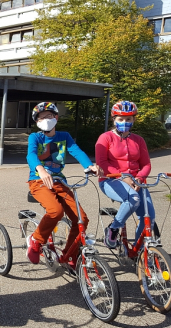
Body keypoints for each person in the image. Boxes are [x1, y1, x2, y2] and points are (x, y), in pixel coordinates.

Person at [26, 102, 102, 267]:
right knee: (56, 211)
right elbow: (31, 155)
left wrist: (89, 165)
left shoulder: (64, 136)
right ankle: (36, 240)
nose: (46, 120)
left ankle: (70, 254)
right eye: (41, 118)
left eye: (49, 116)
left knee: (82, 219)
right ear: (37, 122)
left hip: (59, 181)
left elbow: (76, 151)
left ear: (56, 118)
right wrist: (41, 169)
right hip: (38, 180)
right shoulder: (35, 137)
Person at [95, 101, 154, 248]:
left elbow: (146, 164)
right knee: (133, 199)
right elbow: (102, 163)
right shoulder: (105, 137)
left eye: (128, 119)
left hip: (136, 181)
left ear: (134, 119)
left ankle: (139, 251)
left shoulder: (138, 140)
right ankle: (114, 228)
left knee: (149, 217)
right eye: (120, 119)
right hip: (111, 179)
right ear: (114, 119)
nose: (124, 122)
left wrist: (140, 179)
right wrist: (123, 176)